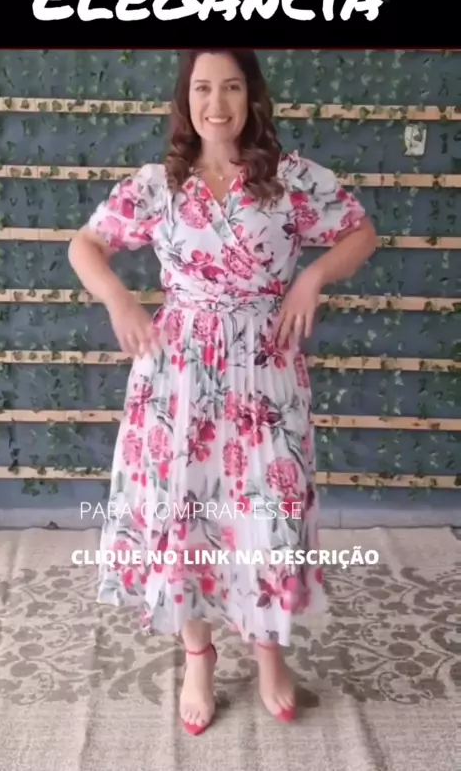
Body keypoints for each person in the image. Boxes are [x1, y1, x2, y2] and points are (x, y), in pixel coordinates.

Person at [68, 48, 377, 735]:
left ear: (251, 96)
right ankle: (199, 656)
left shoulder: (291, 180)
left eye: (232, 87)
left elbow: (361, 233)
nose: (217, 103)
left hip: (265, 373)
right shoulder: (157, 185)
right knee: (185, 519)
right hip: (176, 376)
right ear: (186, 99)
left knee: (267, 520)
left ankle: (269, 654)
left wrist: (312, 277)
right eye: (203, 88)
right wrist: (119, 299)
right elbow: (84, 245)